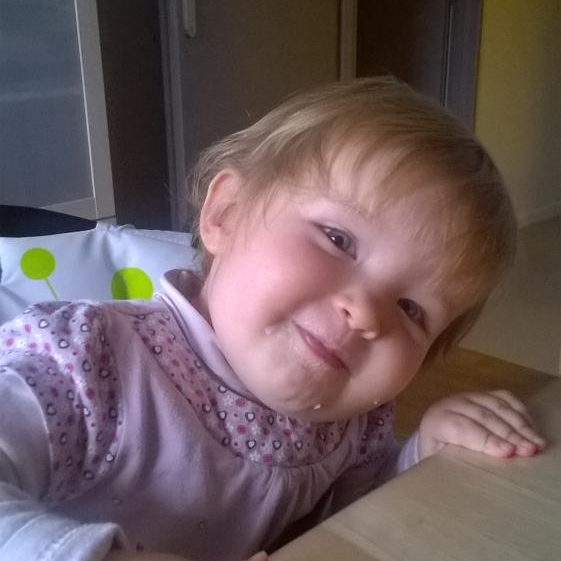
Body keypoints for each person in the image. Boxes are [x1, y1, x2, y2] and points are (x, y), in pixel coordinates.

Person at [0, 77, 545, 561]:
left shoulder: (352, 423)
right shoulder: (88, 362)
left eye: (411, 309)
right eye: (338, 239)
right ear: (226, 214)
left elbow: (357, 520)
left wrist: (422, 455)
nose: (365, 314)